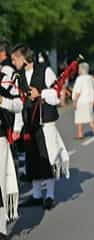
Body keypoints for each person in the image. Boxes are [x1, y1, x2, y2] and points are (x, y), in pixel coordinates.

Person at [11, 44, 70, 210]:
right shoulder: (19, 75)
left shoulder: (45, 71)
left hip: (45, 122)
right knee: (32, 159)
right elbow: (19, 103)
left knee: (48, 157)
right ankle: (36, 196)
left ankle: (49, 196)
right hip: (29, 122)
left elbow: (56, 96)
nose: (13, 61)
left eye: (16, 58)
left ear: (25, 58)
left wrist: (41, 93)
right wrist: (17, 128)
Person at [0, 41, 20, 237]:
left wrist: (2, 101)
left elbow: (18, 104)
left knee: (0, 182)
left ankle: (1, 227)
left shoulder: (5, 77)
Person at [72, 62, 94, 139]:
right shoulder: (91, 78)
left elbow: (78, 91)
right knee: (90, 117)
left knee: (80, 119)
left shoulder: (79, 79)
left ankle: (80, 134)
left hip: (81, 101)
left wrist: (74, 101)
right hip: (90, 100)